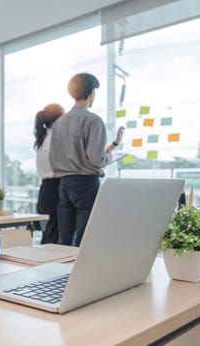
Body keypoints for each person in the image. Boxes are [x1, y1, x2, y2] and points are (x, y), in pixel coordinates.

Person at [49, 73, 124, 246]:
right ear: (91, 94)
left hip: (64, 184)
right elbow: (96, 159)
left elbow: (53, 157)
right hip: (86, 184)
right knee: (85, 239)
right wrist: (108, 155)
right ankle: (82, 273)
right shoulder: (93, 121)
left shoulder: (60, 122)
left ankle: (63, 272)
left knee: (65, 239)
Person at [34, 103, 64, 244]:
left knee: (49, 235)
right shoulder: (54, 140)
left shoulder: (43, 138)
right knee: (54, 236)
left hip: (46, 189)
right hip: (55, 189)